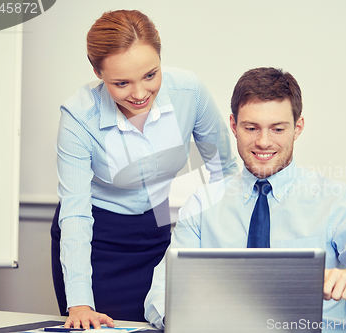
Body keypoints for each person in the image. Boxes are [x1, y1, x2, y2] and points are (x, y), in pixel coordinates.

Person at [144, 67, 346, 332]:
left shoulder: (336, 199)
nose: (263, 142)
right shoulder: (202, 203)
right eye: (251, 128)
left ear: (297, 127)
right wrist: (183, 321)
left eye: (278, 128)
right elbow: (161, 293)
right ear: (234, 126)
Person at [51, 9, 237, 329]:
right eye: (121, 83)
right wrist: (80, 302)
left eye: (150, 75)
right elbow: (76, 213)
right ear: (97, 71)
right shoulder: (78, 116)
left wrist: (233, 251)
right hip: (97, 240)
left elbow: (225, 171)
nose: (139, 94)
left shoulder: (189, 92)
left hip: (157, 233)